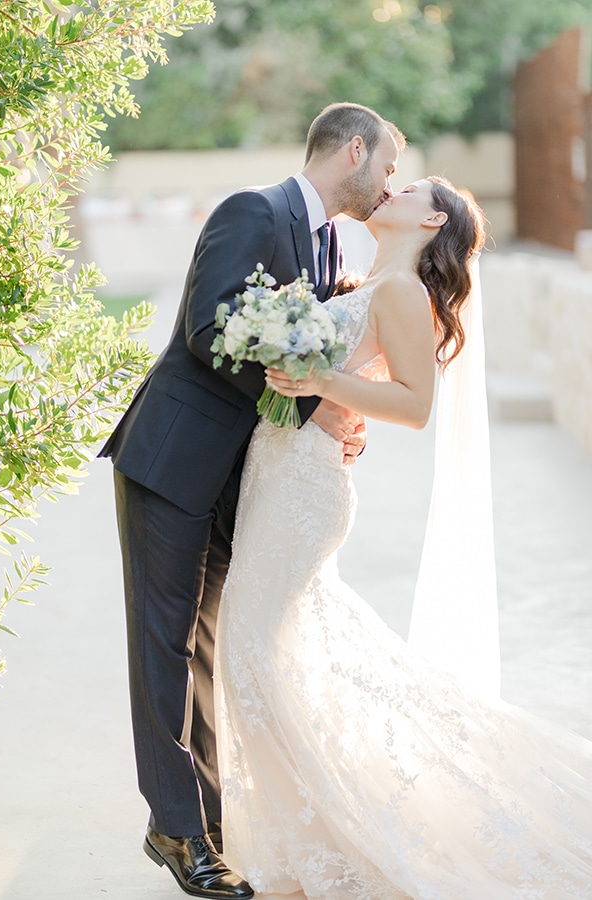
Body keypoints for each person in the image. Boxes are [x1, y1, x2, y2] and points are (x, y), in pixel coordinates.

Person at [213, 177, 592, 898]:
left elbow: (415, 405)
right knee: (271, 651)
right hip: (277, 473)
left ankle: (319, 838)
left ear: (433, 218)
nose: (390, 187)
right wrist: (312, 379)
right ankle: (312, 831)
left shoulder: (404, 293)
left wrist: (319, 381)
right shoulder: (367, 281)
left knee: (252, 648)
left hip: (308, 489)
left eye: (410, 187)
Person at [99, 102, 403, 898]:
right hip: (173, 459)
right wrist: (310, 402)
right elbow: (209, 327)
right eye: (390, 165)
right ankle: (176, 830)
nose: (391, 182)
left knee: (204, 647)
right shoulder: (253, 210)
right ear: (355, 150)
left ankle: (207, 825)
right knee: (165, 646)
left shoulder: (332, 241)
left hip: (241, 476)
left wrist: (332, 402)